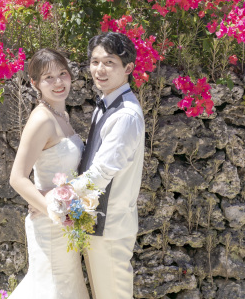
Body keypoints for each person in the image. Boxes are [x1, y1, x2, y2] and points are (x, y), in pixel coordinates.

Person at [8, 48, 90, 299]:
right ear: (35, 83)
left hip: (66, 221)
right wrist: (53, 209)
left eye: (62, 74)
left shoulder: (61, 115)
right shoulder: (42, 120)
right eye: (48, 77)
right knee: (51, 288)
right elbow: (17, 178)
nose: (58, 82)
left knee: (67, 286)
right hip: (51, 222)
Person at [77, 31, 145, 299]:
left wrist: (60, 196)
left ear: (128, 68)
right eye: (95, 62)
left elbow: (101, 173)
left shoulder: (125, 115)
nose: (99, 70)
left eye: (109, 62)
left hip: (111, 228)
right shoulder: (106, 105)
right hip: (97, 225)